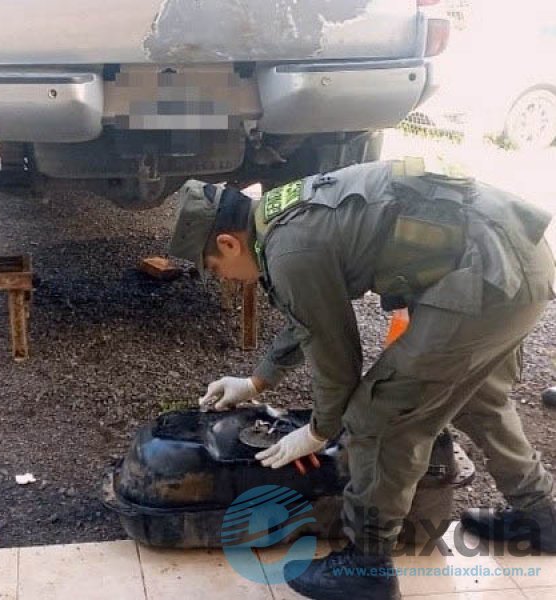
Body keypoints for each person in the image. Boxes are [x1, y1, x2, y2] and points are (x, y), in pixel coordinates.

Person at [168, 159, 556, 600]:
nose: (225, 279)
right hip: (518, 260)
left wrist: (318, 431)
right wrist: (257, 381)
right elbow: (311, 316)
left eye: (215, 268)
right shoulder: (281, 217)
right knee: (479, 399)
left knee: (382, 415)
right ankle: (542, 518)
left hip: (490, 277)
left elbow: (338, 364)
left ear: (227, 243)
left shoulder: (290, 251)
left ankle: (366, 564)